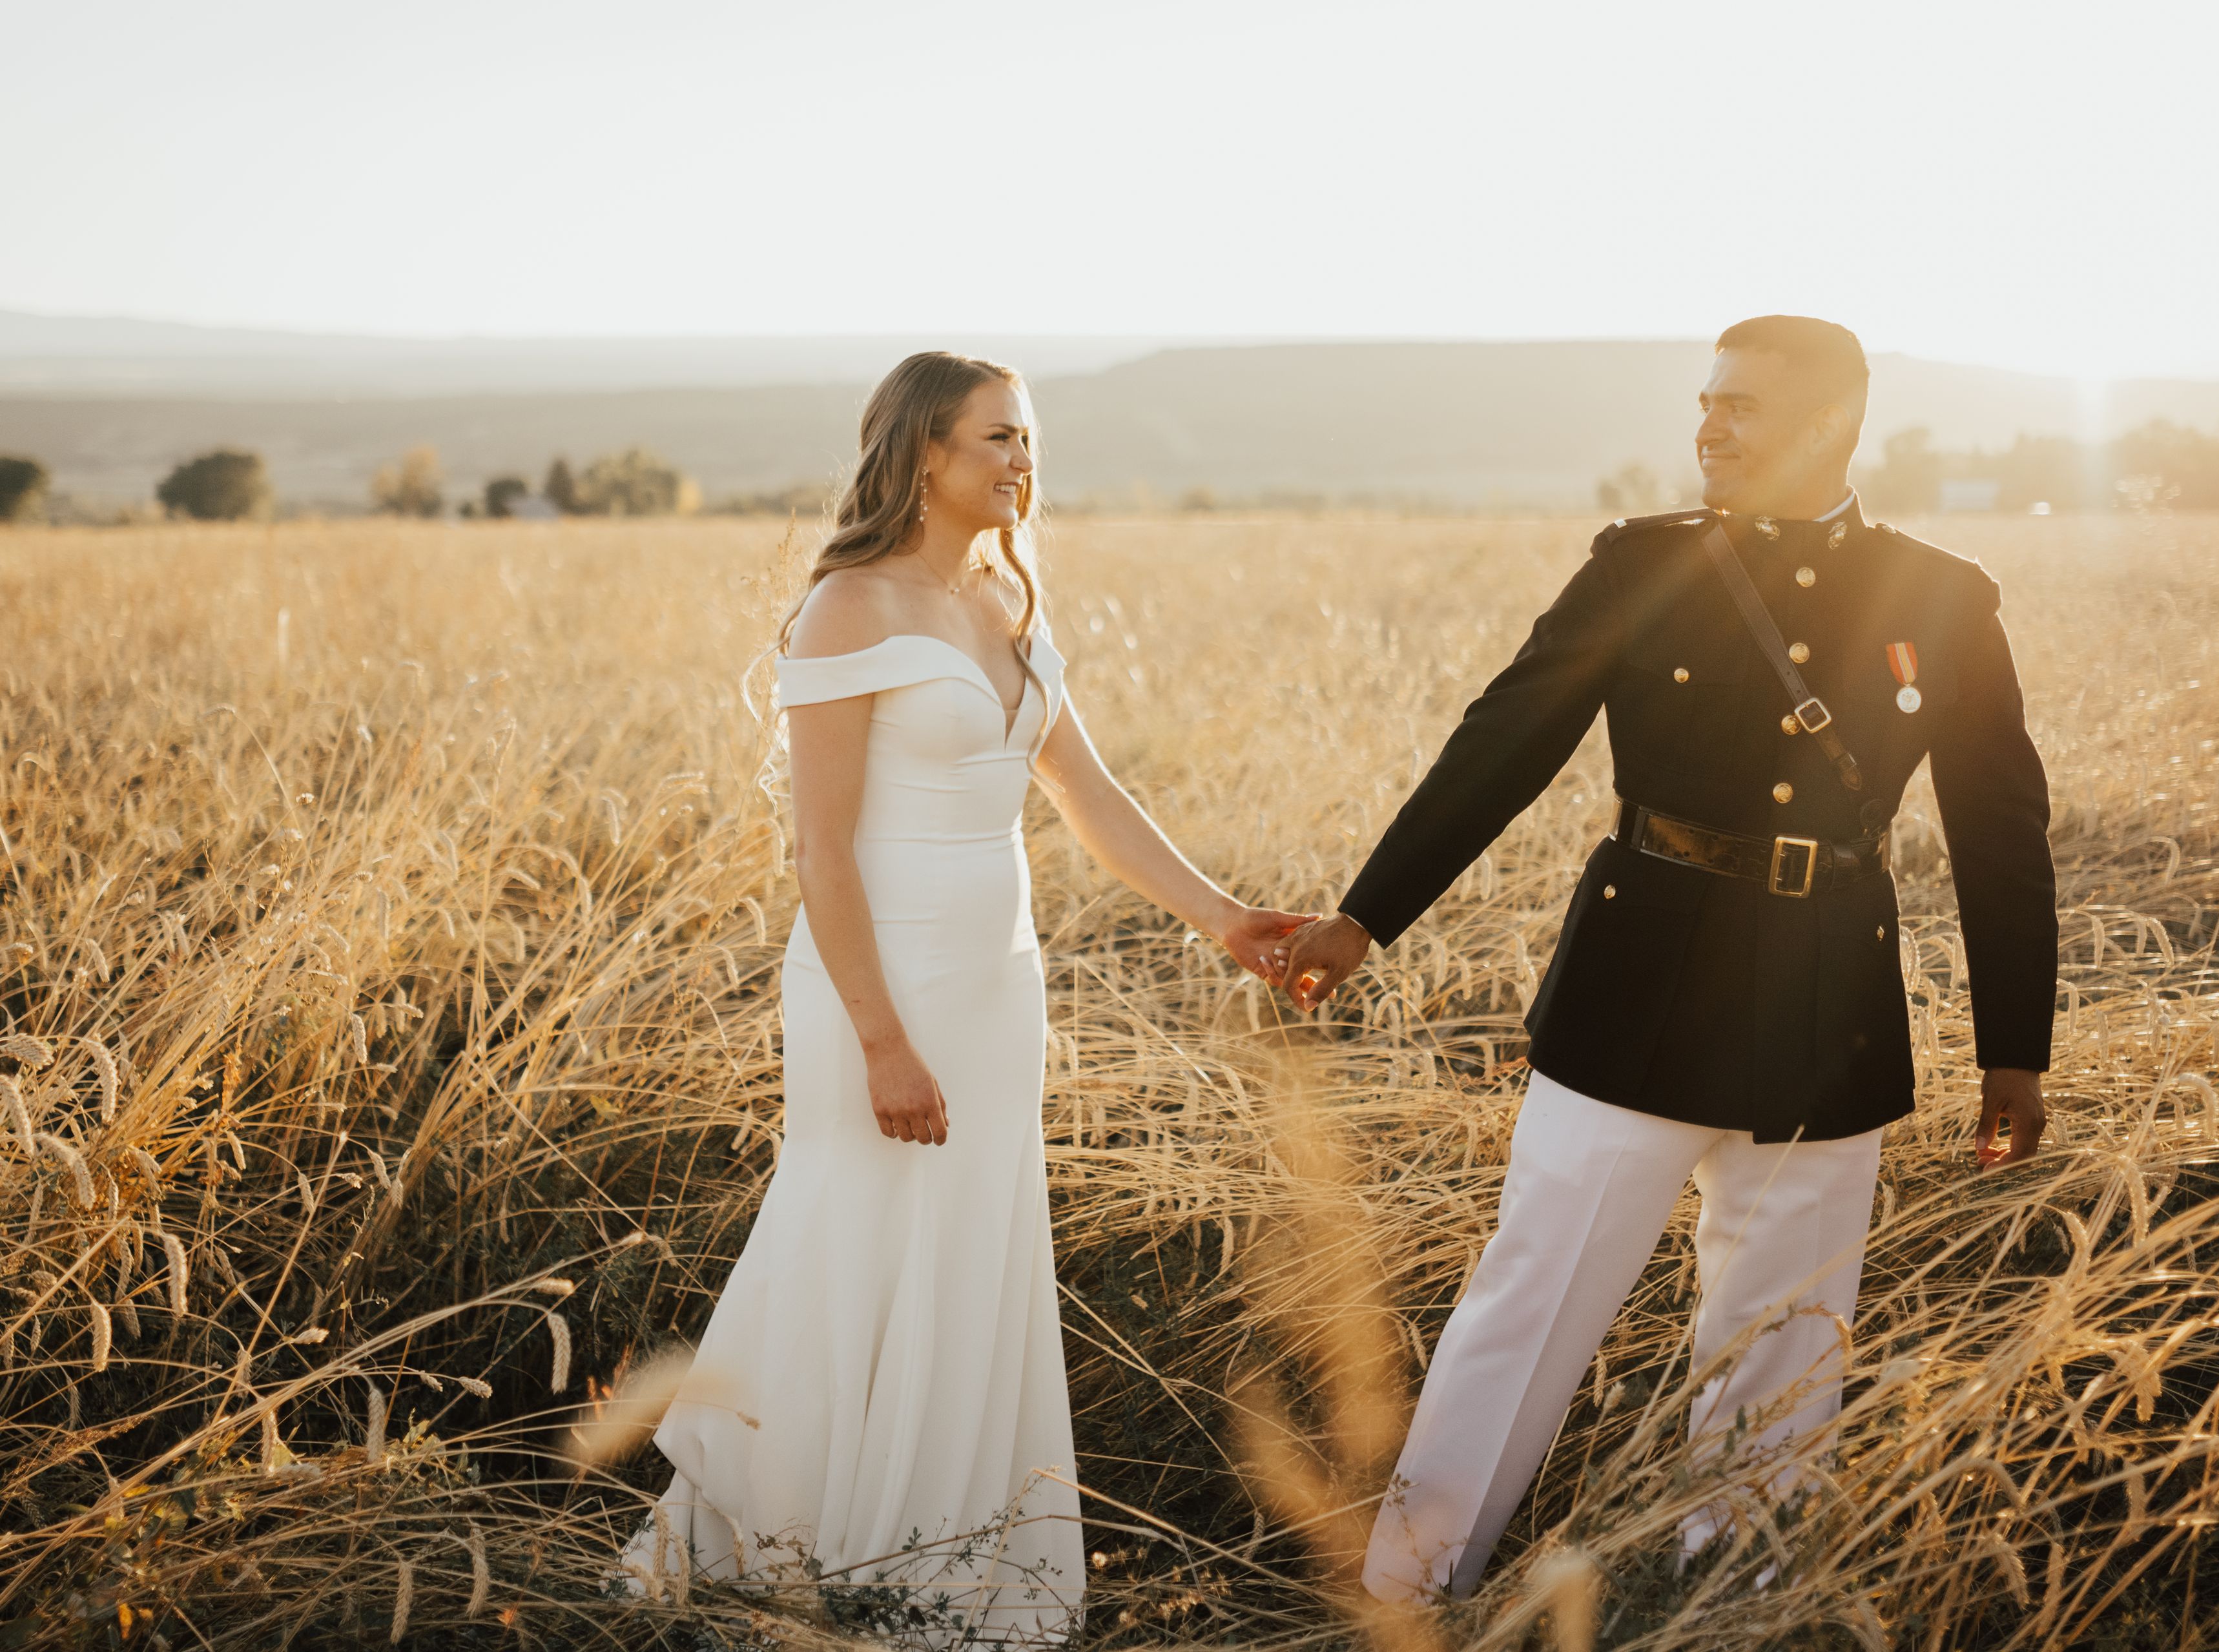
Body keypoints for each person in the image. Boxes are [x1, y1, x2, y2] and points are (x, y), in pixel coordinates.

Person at [1274, 315, 2058, 1600]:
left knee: (1786, 1341)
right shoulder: (1643, 563)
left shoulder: (1943, 594)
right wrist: (1367, 916)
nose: (1707, 427)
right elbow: (1505, 741)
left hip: (1829, 1007)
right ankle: (1407, 1592)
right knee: (1527, 1307)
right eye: (1705, 401)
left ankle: (1740, 1603)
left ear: (1831, 422)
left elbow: (2000, 831)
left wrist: (2013, 1052)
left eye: (1740, 406)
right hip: (1639, 991)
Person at [625, 352, 1308, 1640]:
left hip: (997, 986)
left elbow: (1088, 796)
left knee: (973, 1246)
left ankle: (942, 1553)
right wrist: (883, 1041)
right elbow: (821, 852)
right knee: (855, 1234)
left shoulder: (1007, 590)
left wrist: (1226, 919)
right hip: (874, 980)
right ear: (922, 455)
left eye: (1028, 438)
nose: (1020, 461)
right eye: (995, 438)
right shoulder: (850, 606)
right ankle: (797, 1552)